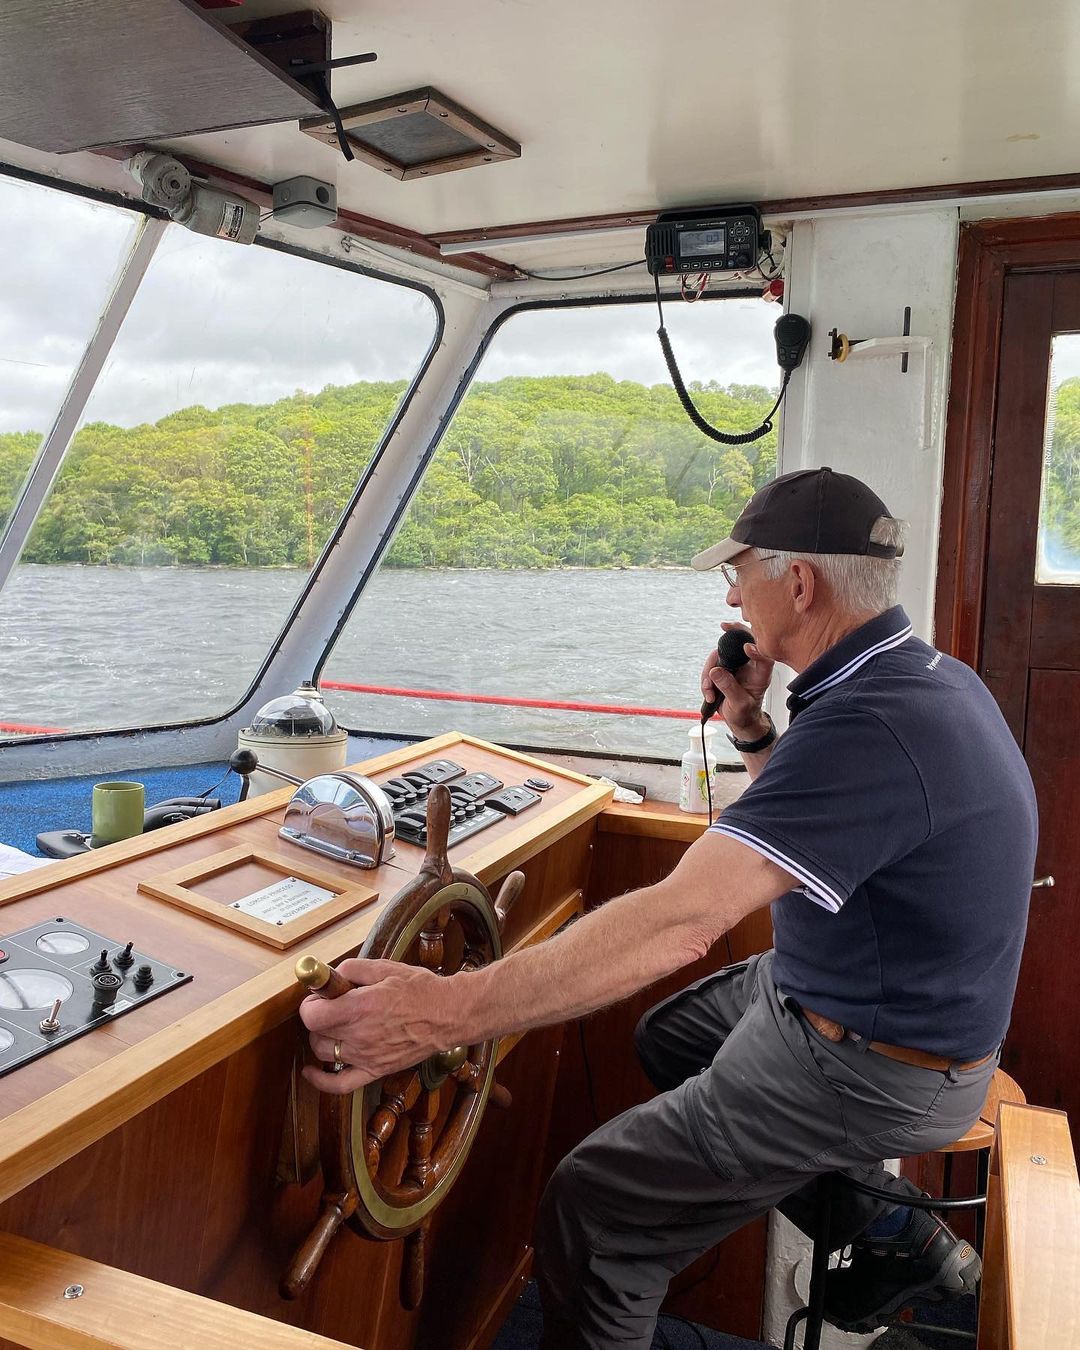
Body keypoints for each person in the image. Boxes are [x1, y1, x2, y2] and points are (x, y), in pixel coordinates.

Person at [299, 466, 1038, 1349]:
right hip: (855, 995)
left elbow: (681, 922)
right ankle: (890, 1228)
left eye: (743, 573)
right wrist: (753, 730)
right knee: (669, 1037)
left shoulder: (868, 729)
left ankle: (879, 1228)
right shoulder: (919, 679)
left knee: (593, 1211)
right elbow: (817, 843)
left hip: (877, 1064)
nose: (732, 594)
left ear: (797, 584)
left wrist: (442, 1013)